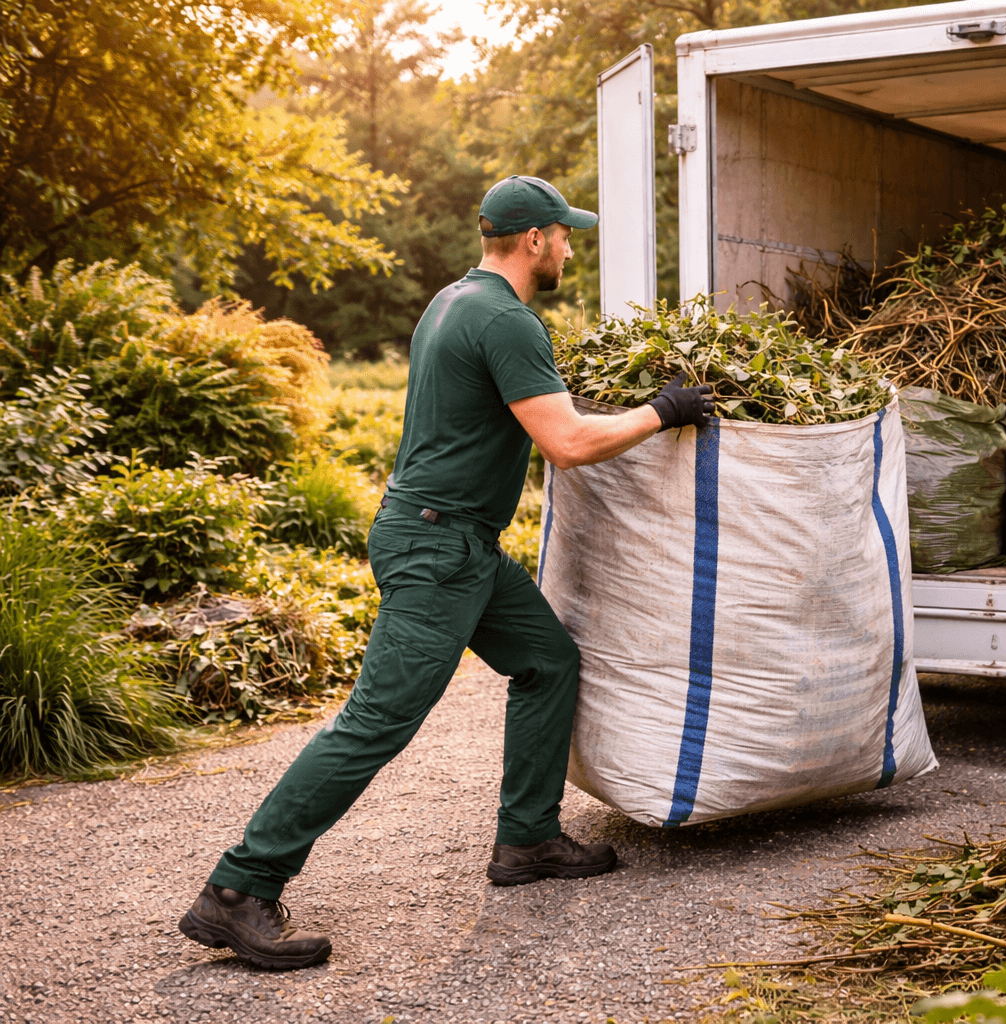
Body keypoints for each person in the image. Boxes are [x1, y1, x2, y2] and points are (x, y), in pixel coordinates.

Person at [177, 175, 714, 970]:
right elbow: (565, 442)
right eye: (564, 234)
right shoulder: (508, 320)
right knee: (376, 722)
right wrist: (662, 412)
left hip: (454, 542)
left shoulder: (452, 300)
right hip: (437, 550)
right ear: (533, 240)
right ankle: (238, 890)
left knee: (546, 659)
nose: (569, 245)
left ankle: (526, 840)